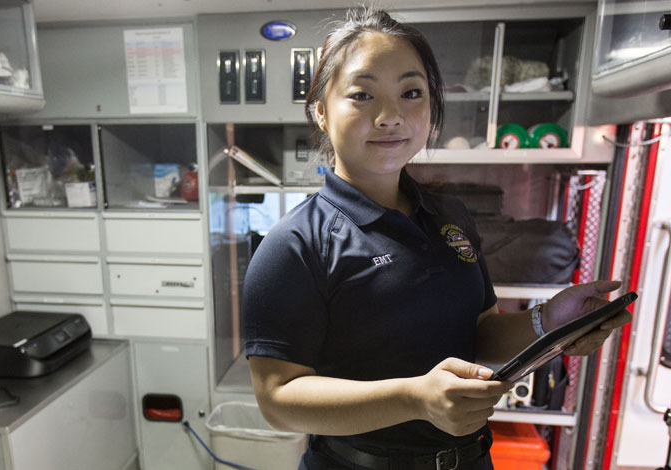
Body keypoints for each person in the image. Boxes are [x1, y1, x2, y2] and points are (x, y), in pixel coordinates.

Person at [242, 7, 631, 470]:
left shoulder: (449, 216)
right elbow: (278, 400)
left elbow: (480, 334)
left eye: (411, 93)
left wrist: (550, 322)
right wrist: (414, 398)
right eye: (362, 95)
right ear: (322, 112)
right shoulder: (295, 244)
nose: (390, 116)